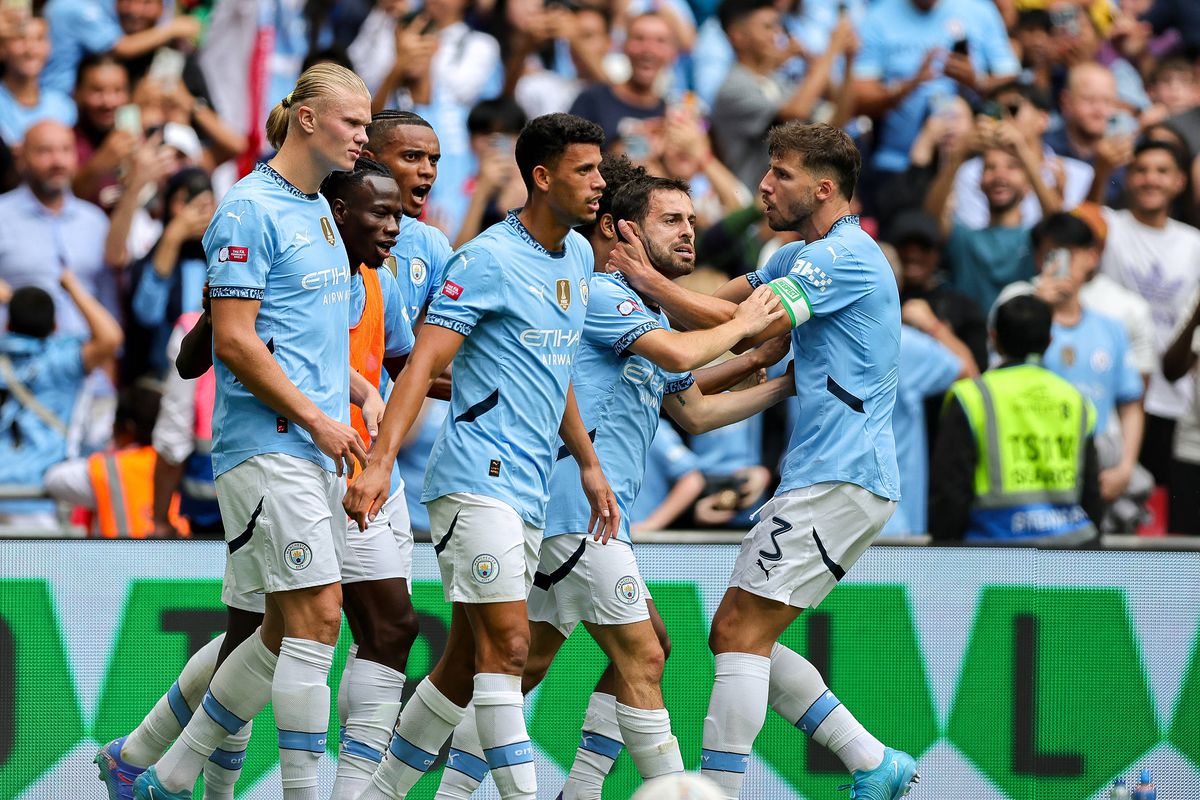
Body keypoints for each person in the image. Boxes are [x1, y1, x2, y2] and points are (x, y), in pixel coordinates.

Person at [433, 177, 790, 799]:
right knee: (645, 655)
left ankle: (472, 792)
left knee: (524, 669)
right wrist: (749, 324)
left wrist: (785, 383)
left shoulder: (643, 312)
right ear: (621, 231)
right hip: (575, 511)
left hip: (585, 515)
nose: (688, 231)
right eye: (671, 219)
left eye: (691, 219)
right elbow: (682, 357)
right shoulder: (601, 295)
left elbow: (697, 411)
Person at [605, 121, 916, 800]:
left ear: (823, 188)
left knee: (738, 633)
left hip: (842, 474)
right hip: (824, 474)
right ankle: (871, 762)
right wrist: (643, 294)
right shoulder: (791, 255)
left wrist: (644, 279)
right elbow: (717, 311)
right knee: (741, 635)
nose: (764, 185)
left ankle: (717, 789)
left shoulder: (844, 258)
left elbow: (751, 328)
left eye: (781, 173)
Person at [343, 113, 619, 800]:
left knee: (463, 666)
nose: (600, 183)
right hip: (476, 479)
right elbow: (419, 367)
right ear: (542, 176)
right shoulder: (486, 259)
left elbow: (552, 370)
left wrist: (585, 461)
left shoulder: (579, 257)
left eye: (600, 168)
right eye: (585, 170)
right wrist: (379, 461)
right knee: (511, 649)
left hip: (527, 486)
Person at [129, 63, 373, 800]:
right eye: (353, 122)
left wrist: (352, 387)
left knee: (267, 629)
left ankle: (153, 769)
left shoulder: (320, 208)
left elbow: (300, 332)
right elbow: (233, 342)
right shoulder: (246, 209)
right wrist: (319, 417)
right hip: (268, 446)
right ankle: (292, 790)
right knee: (317, 618)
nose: (365, 136)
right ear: (306, 119)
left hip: (308, 443)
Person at [994, 213, 1148, 528]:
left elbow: (1131, 403)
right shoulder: (1015, 305)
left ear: (1092, 257)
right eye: (1052, 253)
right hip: (1029, 463)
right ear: (1038, 258)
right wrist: (1038, 308)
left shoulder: (1111, 328)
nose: (1061, 264)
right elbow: (999, 376)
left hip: (1096, 464)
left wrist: (1125, 469)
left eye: (1071, 253)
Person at [930, 294, 1103, 545]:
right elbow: (1091, 494)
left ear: (994, 338)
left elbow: (949, 493)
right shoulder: (1075, 400)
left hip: (992, 554)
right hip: (1069, 553)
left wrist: (944, 552)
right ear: (1049, 341)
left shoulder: (971, 396)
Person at [1097, 140, 1200, 512]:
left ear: (1179, 182)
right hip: (1116, 396)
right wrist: (1099, 172)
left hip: (1176, 401)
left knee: (1160, 510)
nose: (1150, 179)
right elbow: (1078, 223)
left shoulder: (1194, 243)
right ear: (1127, 178)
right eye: (1140, 170)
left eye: (1162, 171)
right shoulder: (1109, 225)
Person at [0, 271, 122, 526]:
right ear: (55, 326)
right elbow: (110, 338)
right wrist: (72, 286)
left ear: (7, 325)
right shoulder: (62, 362)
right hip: (39, 500)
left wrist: (13, 301)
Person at [710, 0, 857, 191]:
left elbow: (837, 122)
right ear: (738, 36)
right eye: (767, 27)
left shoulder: (778, 81)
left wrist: (849, 62)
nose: (777, 34)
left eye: (778, 25)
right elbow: (797, 110)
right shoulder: (734, 87)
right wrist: (831, 50)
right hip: (754, 207)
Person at [0, 119, 115, 339]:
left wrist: (109, 360)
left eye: (65, 150)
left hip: (88, 363)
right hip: (17, 363)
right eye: (45, 151)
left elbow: (108, 299)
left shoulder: (95, 221)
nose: (58, 161)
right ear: (21, 159)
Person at [927, 135, 1051, 316]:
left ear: (1028, 184)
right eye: (990, 167)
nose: (1000, 175)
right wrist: (959, 155)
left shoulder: (1036, 240)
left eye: (1012, 167)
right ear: (979, 183)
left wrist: (1024, 152)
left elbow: (1059, 224)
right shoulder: (963, 238)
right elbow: (930, 219)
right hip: (967, 338)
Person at [568, 13, 676, 151]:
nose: (648, 49)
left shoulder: (672, 114)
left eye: (660, 41)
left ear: (672, 53)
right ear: (624, 46)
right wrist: (631, 147)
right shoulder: (592, 100)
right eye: (639, 38)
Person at [0, 13, 77, 145]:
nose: (31, 49)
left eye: (40, 39)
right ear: (2, 48)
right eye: (20, 38)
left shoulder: (63, 106)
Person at [1163, 288, 1200, 534]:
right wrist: (1197, 313)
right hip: (1193, 448)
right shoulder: (1196, 296)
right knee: (1185, 551)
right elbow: (1171, 369)